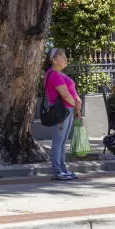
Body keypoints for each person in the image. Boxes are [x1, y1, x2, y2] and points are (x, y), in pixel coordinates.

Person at [44, 48, 81, 180]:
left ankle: (62, 168)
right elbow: (64, 94)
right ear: (54, 60)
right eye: (63, 57)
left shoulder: (59, 74)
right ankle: (57, 170)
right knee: (58, 140)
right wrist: (75, 104)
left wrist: (77, 102)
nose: (66, 60)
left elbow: (71, 91)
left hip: (67, 110)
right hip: (62, 112)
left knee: (63, 140)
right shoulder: (53, 74)